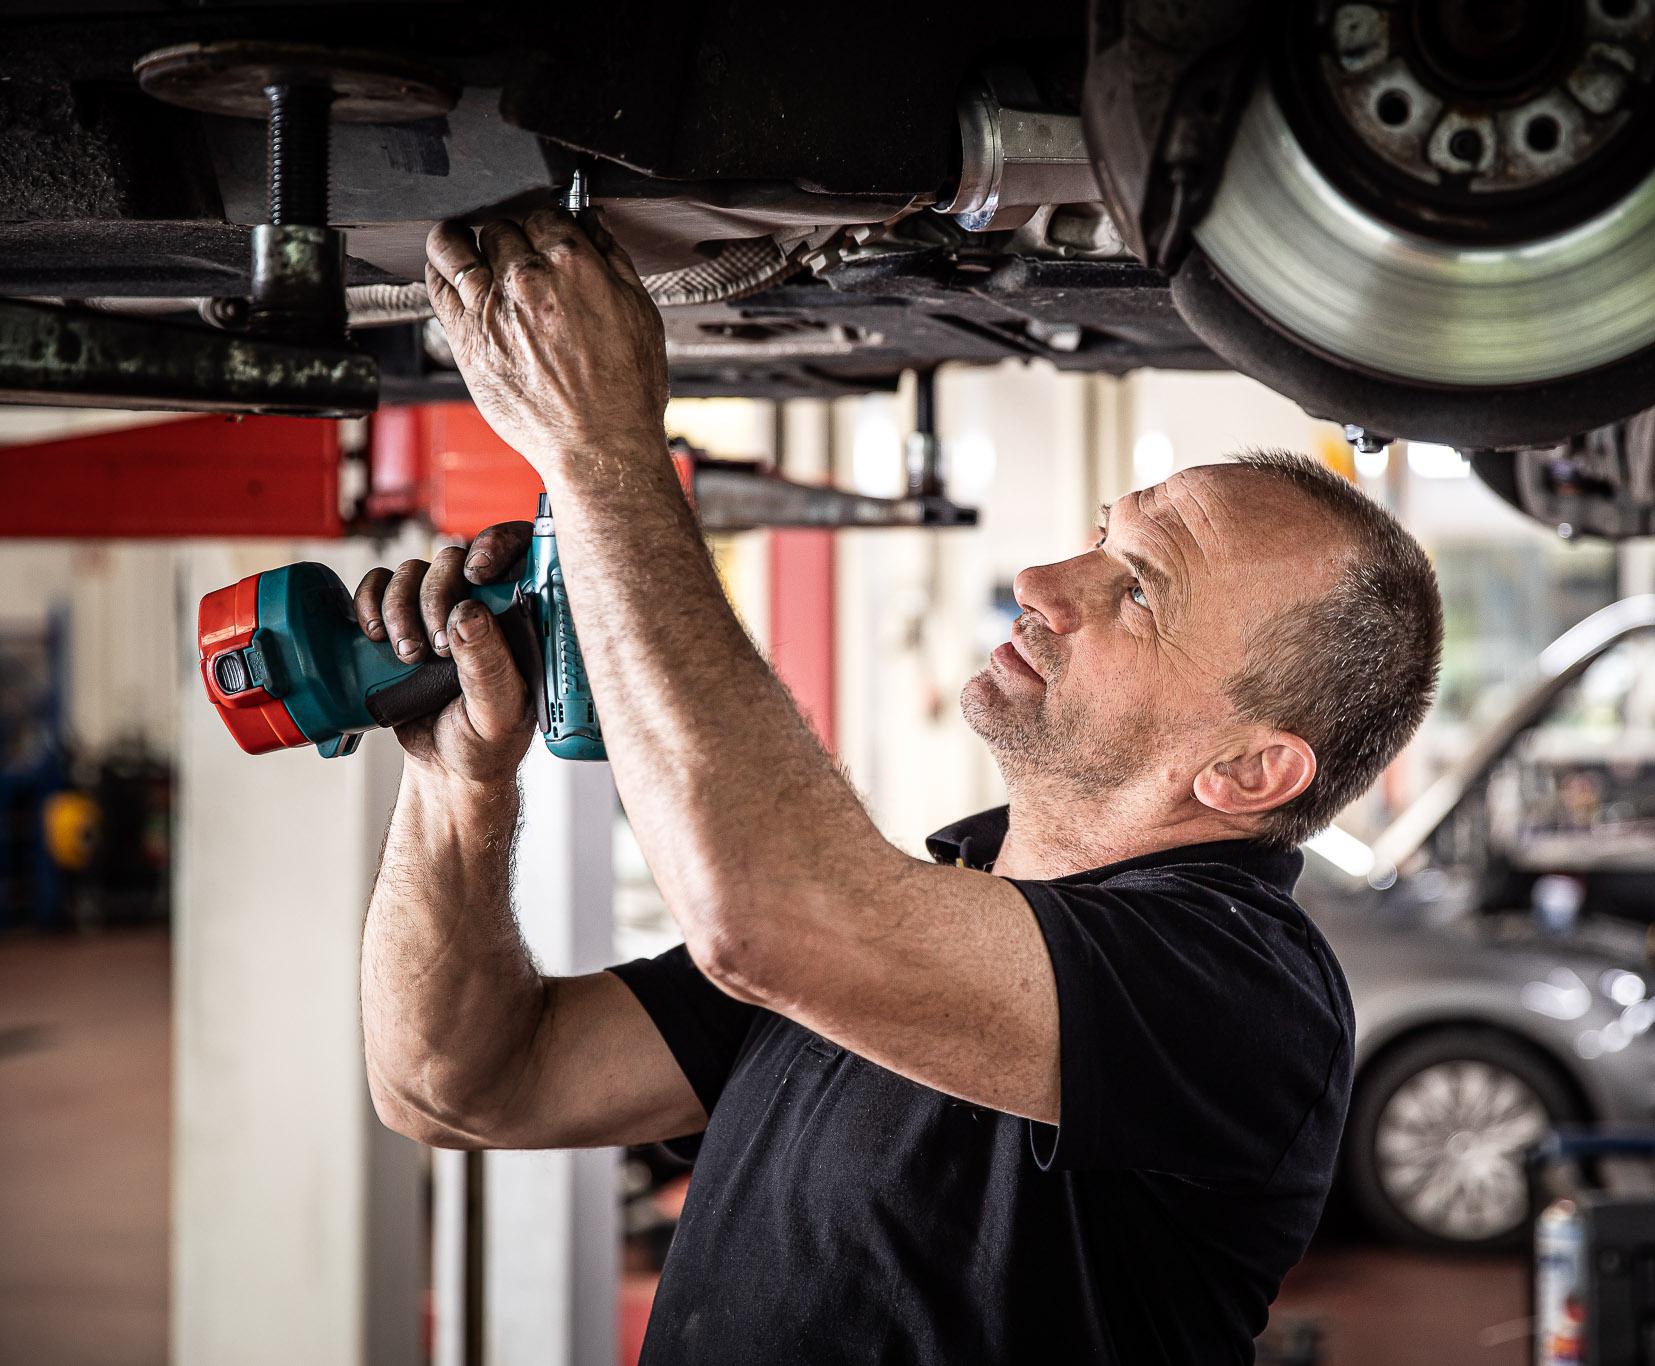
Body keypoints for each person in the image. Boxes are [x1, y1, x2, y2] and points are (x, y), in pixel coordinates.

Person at [358, 206, 1443, 1365]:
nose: (1041, 580)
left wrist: (600, 448)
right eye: (1098, 535)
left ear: (1248, 769)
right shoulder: (903, 918)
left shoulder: (1239, 995)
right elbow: (461, 1082)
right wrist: (459, 783)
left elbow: (759, 916)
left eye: (1137, 590)